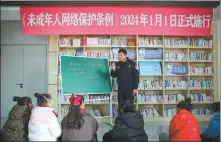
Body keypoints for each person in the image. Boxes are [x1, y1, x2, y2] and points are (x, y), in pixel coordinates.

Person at [110, 49, 139, 114]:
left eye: (121, 55)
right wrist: (113, 70)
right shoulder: (117, 64)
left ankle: (129, 121)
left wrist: (135, 88)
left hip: (130, 89)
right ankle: (121, 121)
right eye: (118, 55)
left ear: (125, 55)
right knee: (121, 106)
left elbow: (136, 76)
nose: (119, 56)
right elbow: (113, 76)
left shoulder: (132, 64)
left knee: (129, 107)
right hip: (120, 89)